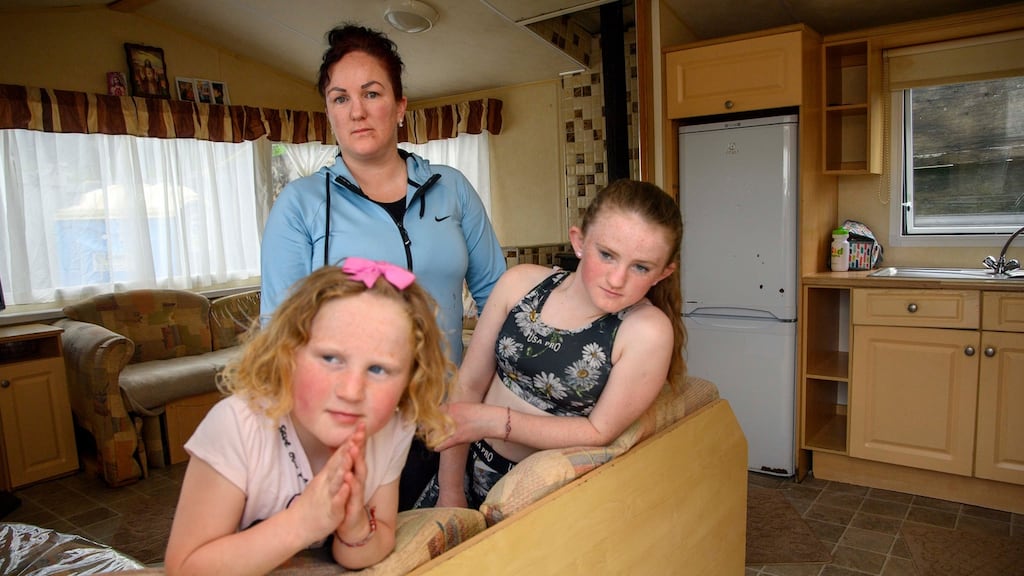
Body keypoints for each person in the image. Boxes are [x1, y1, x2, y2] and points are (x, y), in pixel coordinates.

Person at [259, 23, 505, 509]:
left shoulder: (450, 188)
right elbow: (279, 332)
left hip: (448, 419)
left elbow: (498, 297)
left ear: (399, 106)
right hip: (354, 427)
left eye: (372, 93)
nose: (357, 111)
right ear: (328, 110)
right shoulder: (301, 203)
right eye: (340, 98)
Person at [164, 259, 453, 574]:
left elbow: (373, 540)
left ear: (410, 381)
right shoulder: (237, 425)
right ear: (288, 353)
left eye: (378, 369)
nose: (352, 391)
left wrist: (354, 525)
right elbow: (184, 568)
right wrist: (302, 523)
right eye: (331, 358)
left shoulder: (394, 426)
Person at [423, 179, 686, 509]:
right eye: (607, 255)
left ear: (663, 273)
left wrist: (492, 421)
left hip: (548, 497)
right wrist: (450, 489)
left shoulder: (646, 331)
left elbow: (597, 431)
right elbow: (469, 385)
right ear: (578, 241)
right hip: (466, 464)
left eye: (641, 267)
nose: (618, 279)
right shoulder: (519, 284)